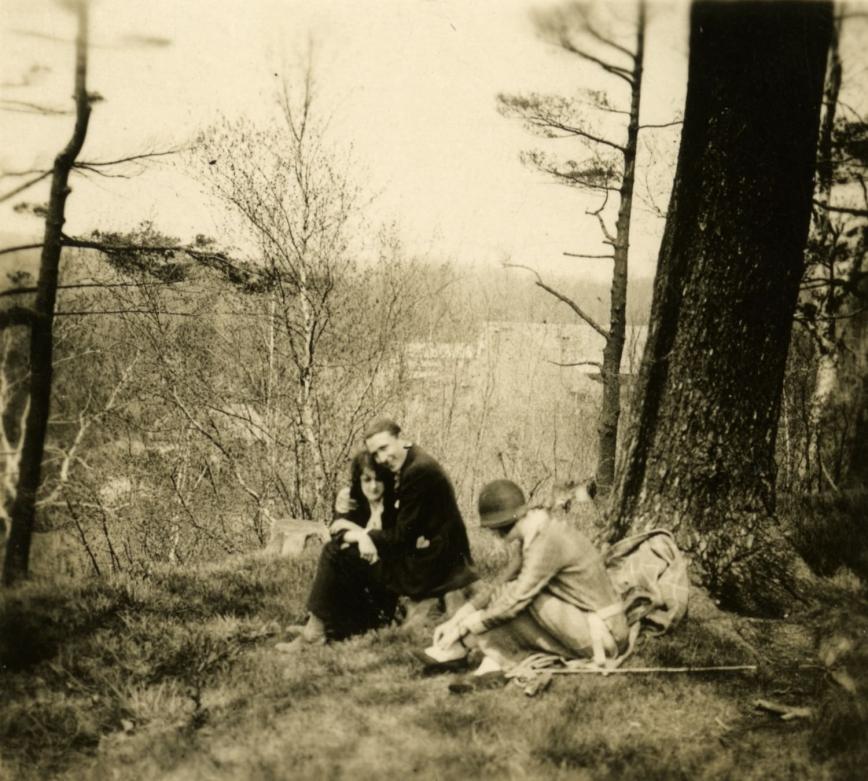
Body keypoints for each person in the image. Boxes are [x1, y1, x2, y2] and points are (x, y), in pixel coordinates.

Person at [428, 479, 629, 688]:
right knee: (507, 596)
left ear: (501, 527)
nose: (494, 535)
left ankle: (476, 652)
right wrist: (455, 620)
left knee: (522, 601)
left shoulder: (547, 542)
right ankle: (486, 659)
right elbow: (498, 585)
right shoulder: (533, 532)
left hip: (605, 636)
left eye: (493, 529)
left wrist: (466, 627)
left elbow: (516, 600)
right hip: (584, 620)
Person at [280, 450, 399, 649]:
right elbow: (336, 530)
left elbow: (392, 541)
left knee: (334, 552)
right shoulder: (354, 501)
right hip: (363, 591)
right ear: (358, 480)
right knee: (337, 550)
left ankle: (313, 634)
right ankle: (320, 626)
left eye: (378, 479)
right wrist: (361, 536)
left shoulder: (396, 506)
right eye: (366, 479)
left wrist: (362, 534)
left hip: (384, 595)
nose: (373, 486)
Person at [358, 417, 477, 604]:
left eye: (384, 448)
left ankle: (332, 623)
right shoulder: (409, 457)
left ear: (399, 438)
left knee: (348, 555)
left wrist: (366, 536)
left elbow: (402, 536)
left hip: (438, 562)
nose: (381, 459)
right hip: (437, 552)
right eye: (375, 454)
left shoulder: (417, 471)